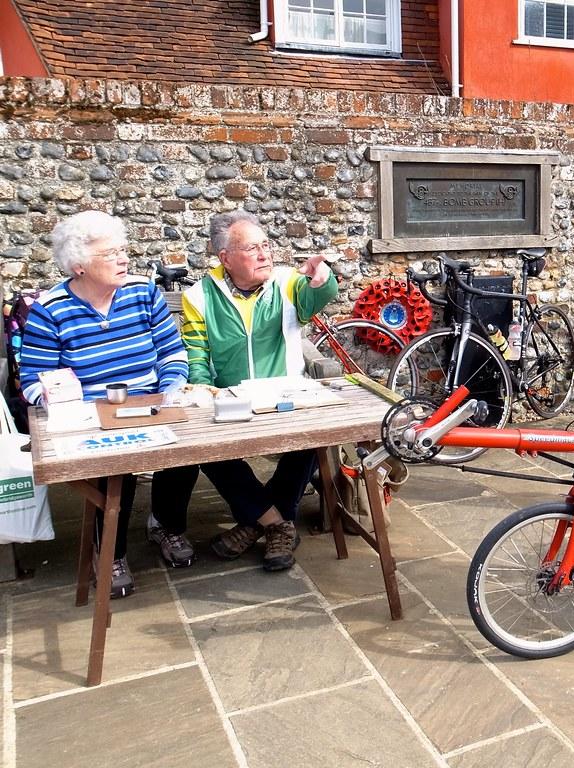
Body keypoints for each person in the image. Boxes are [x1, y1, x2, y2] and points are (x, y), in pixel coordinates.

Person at [19, 210, 193, 598]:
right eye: (110, 254)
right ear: (78, 265)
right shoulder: (51, 310)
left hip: (150, 402)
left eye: (123, 250)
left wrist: (172, 386)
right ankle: (111, 552)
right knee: (115, 469)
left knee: (188, 450)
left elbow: (172, 351)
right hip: (91, 415)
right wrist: (63, 401)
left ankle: (166, 525)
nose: (123, 259)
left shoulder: (143, 293)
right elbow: (32, 381)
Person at [177, 210, 338, 571]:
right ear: (226, 258)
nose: (265, 254)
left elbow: (316, 297)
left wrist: (322, 280)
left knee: (313, 439)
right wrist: (203, 392)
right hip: (233, 400)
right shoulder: (200, 296)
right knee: (208, 451)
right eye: (252, 248)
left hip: (286, 397)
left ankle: (256, 523)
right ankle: (278, 524)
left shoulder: (287, 282)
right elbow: (197, 353)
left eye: (266, 245)